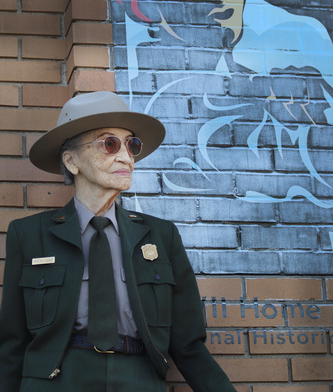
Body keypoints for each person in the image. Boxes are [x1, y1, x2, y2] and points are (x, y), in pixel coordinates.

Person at [0, 90, 236, 392]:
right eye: (109, 144)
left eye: (131, 144)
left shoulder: (162, 237)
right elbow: (12, 343)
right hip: (55, 381)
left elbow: (188, 346)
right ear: (72, 161)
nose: (126, 157)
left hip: (138, 379)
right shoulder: (29, 235)